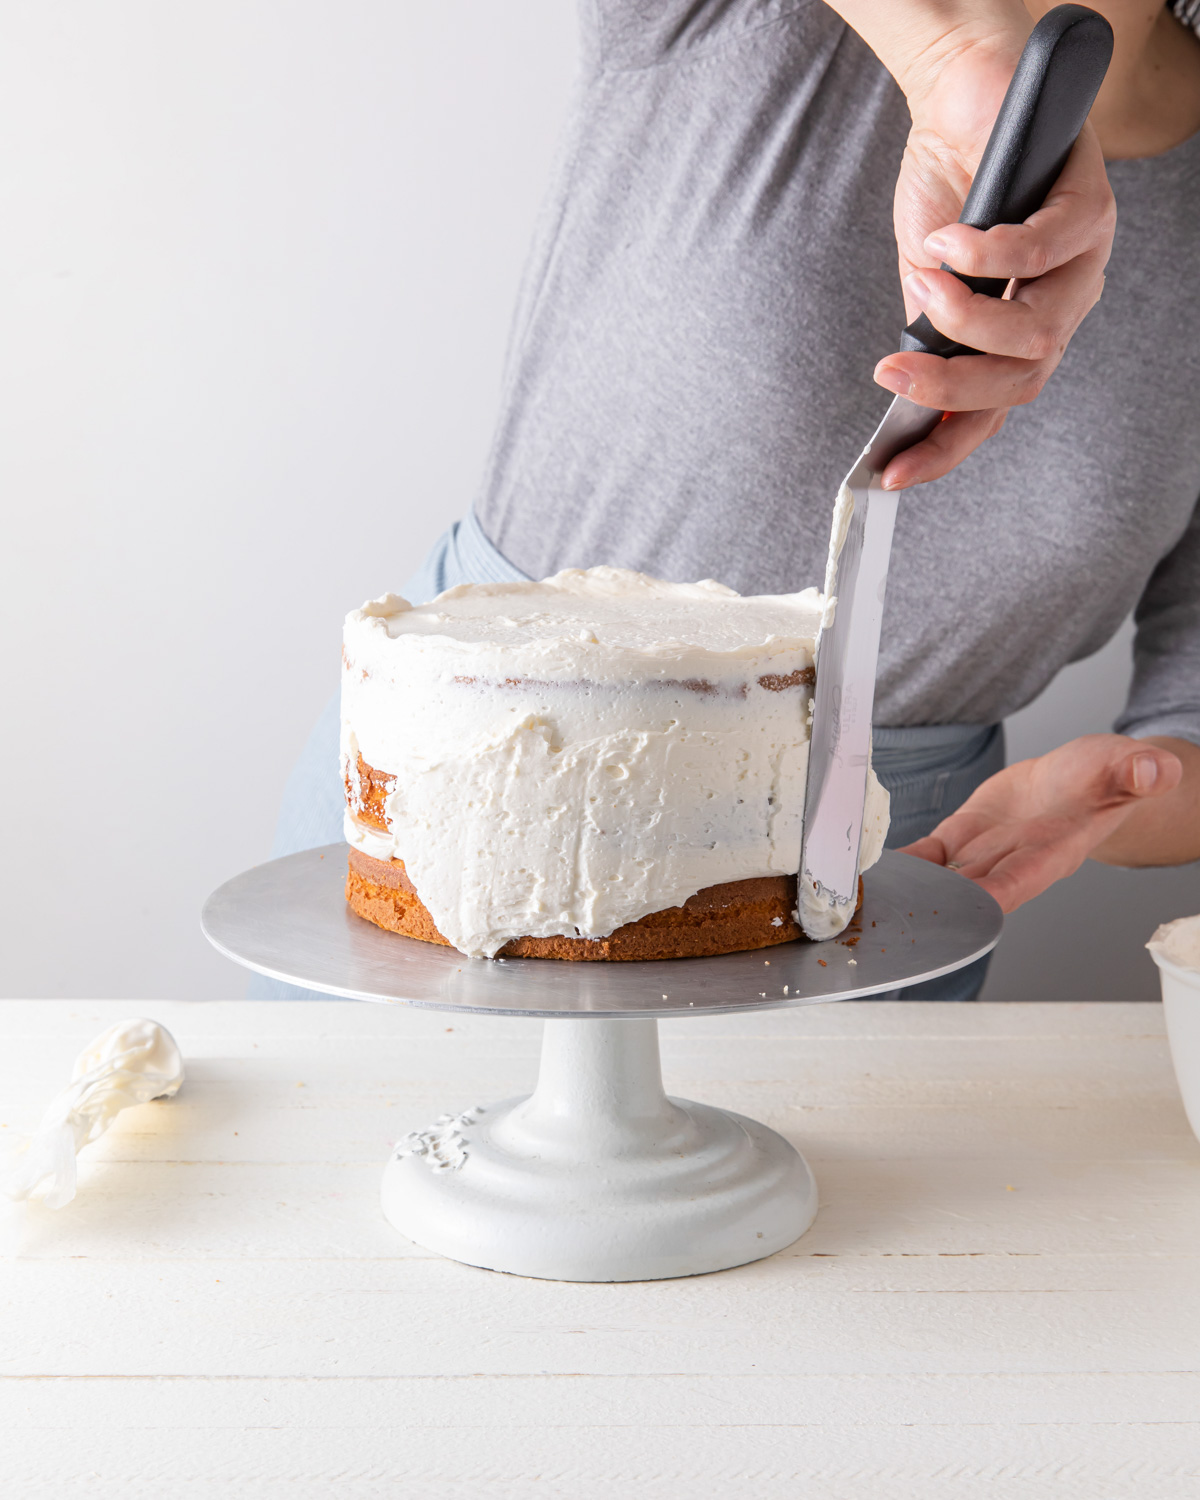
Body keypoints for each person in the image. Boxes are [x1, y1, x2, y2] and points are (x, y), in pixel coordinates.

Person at [263, 0, 1200, 1001]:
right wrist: (952, 57)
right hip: (461, 791)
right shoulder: (739, 19)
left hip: (887, 882)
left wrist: (1113, 798)